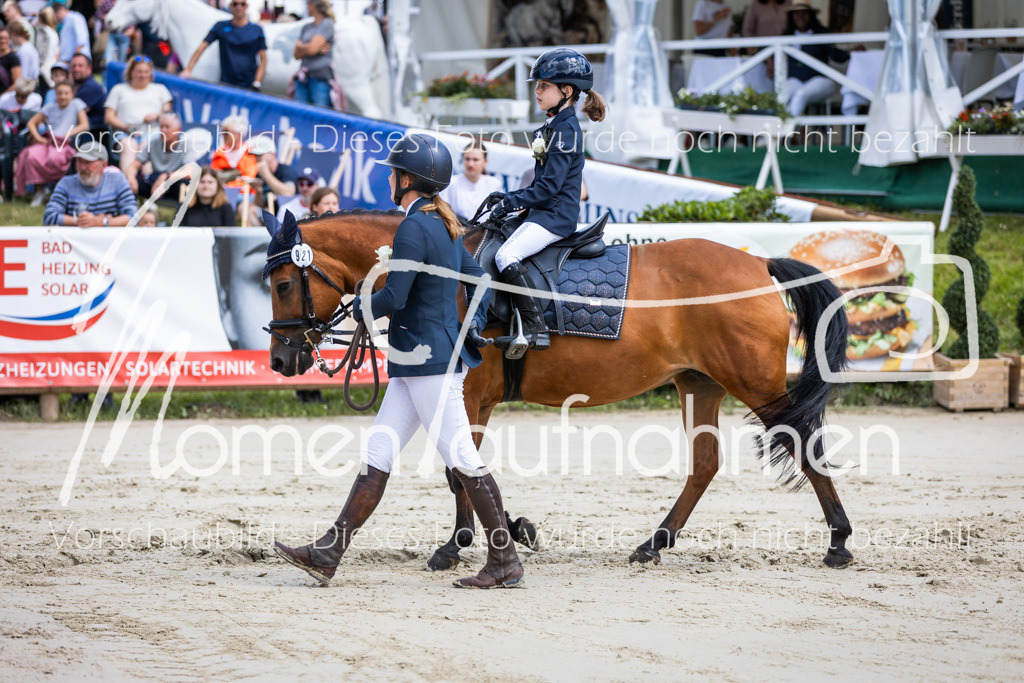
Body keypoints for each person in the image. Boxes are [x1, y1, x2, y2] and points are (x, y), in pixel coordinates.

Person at [273, 133, 525, 590]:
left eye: (393, 173)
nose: (390, 178)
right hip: (417, 360)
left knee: (463, 456)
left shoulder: (414, 227)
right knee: (378, 454)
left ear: (407, 179)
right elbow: (479, 278)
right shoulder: (442, 223)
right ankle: (328, 553)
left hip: (428, 361)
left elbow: (397, 295)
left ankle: (505, 561)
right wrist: (467, 328)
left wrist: (358, 296)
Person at [484, 47, 607, 352]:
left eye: (543, 86)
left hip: (554, 218)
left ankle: (535, 328)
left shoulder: (565, 131)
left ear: (566, 91)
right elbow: (540, 182)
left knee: (505, 257)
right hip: (541, 213)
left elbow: (548, 188)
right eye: (537, 85)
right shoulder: (552, 126)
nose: (536, 92)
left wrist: (509, 202)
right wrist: (509, 197)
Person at [16, 80, 88, 203]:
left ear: (72, 94)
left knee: (55, 158)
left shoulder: (77, 104)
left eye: (66, 93)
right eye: (60, 93)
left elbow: (84, 125)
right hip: (49, 142)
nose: (63, 96)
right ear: (55, 94)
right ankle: (40, 191)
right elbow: (31, 123)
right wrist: (38, 138)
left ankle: (58, 191)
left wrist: (69, 133)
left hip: (65, 143)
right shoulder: (50, 107)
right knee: (31, 155)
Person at [42, 140, 138, 226]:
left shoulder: (117, 180)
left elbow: (133, 217)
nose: (82, 168)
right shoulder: (66, 183)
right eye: (80, 162)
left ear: (104, 165)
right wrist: (81, 221)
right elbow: (49, 216)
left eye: (88, 163)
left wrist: (102, 222)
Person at [104, 55, 172, 174]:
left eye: (146, 72)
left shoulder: (159, 89)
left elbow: (167, 111)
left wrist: (156, 115)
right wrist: (125, 127)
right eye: (139, 72)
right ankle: (128, 186)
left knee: (148, 148)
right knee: (129, 147)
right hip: (125, 134)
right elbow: (109, 116)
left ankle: (146, 185)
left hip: (153, 133)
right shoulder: (119, 89)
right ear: (131, 73)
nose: (143, 75)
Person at [181, 0, 268, 91]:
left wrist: (257, 82)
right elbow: (202, 47)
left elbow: (263, 59)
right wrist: (188, 70)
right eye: (235, 4)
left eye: (242, 4)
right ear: (230, 6)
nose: (239, 7)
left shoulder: (257, 30)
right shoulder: (220, 27)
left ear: (246, 6)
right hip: (226, 85)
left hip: (249, 85)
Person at [781, 2, 848, 117]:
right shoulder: (787, 35)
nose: (800, 17)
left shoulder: (821, 33)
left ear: (810, 15)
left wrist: (849, 52)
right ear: (791, 16)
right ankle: (778, 130)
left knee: (801, 95)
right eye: (796, 13)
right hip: (795, 79)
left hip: (819, 79)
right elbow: (772, 52)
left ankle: (786, 132)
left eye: (804, 13)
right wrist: (770, 61)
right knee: (782, 96)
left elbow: (836, 55)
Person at [128, 113, 191, 198]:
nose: (163, 130)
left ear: (178, 130)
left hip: (173, 182)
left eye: (167, 127)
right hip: (155, 182)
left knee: (183, 183)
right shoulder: (153, 143)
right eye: (161, 127)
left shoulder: (186, 145)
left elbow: (190, 171)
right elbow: (133, 166)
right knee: (133, 182)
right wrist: (131, 179)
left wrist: (166, 176)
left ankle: (181, 210)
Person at [439, 139, 502, 221]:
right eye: (467, 159)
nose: (470, 164)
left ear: (485, 161)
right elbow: (443, 213)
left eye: (475, 160)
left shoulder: (494, 184)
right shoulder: (451, 183)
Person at [292, 0, 335, 107]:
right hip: (303, 78)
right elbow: (296, 54)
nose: (306, 7)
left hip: (320, 79)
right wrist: (312, 47)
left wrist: (302, 47)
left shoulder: (327, 24)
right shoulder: (306, 27)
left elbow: (311, 50)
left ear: (314, 5)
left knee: (321, 115)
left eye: (307, 4)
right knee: (300, 113)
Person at [210, 115, 258, 192]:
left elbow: (248, 179)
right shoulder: (219, 153)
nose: (223, 135)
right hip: (219, 193)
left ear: (239, 135)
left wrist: (228, 187)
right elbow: (212, 176)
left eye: (226, 133)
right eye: (222, 132)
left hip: (243, 193)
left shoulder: (250, 153)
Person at [250, 134, 299, 204]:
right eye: (255, 156)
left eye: (260, 155)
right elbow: (259, 204)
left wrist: (267, 175)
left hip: (286, 212)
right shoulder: (260, 173)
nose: (257, 159)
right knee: (248, 208)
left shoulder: (286, 170)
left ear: (272, 155)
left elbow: (288, 194)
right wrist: (258, 191)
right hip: (268, 211)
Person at [69, 54, 106, 132]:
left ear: (89, 68)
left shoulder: (91, 88)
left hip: (92, 134)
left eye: (80, 66)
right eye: (73, 66)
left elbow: (71, 112)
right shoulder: (76, 85)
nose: (76, 69)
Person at [33, 6, 60, 90]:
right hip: (51, 67)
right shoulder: (53, 32)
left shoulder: (42, 32)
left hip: (43, 70)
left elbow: (41, 54)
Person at [0, 25, 23, 94]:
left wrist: (2, 96)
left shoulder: (13, 58)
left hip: (6, 99)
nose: (3, 41)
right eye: (1, 38)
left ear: (9, 39)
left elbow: (16, 83)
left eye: (5, 38)